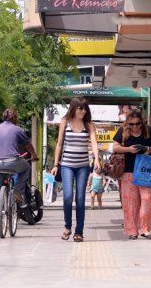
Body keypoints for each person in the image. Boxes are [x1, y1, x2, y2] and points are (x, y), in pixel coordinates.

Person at [51, 97, 101, 242]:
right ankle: (67, 227)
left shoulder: (89, 125)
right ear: (73, 108)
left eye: (85, 108)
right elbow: (59, 144)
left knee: (80, 199)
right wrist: (55, 164)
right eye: (80, 108)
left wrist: (97, 159)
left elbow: (94, 144)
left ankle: (78, 231)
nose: (83, 111)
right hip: (67, 165)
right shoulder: (65, 122)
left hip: (83, 166)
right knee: (67, 197)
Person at [0, 108, 37, 228]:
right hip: (13, 162)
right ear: (14, 118)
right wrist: (34, 155)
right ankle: (17, 191)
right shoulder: (17, 129)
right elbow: (28, 145)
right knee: (26, 167)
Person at [112, 110, 151, 240]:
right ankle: (132, 231)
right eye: (131, 124)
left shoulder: (148, 130)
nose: (135, 127)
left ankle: (146, 229)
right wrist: (129, 149)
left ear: (142, 122)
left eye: (137, 124)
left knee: (146, 200)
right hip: (128, 171)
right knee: (130, 204)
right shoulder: (123, 131)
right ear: (127, 123)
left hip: (145, 170)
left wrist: (148, 149)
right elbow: (115, 147)